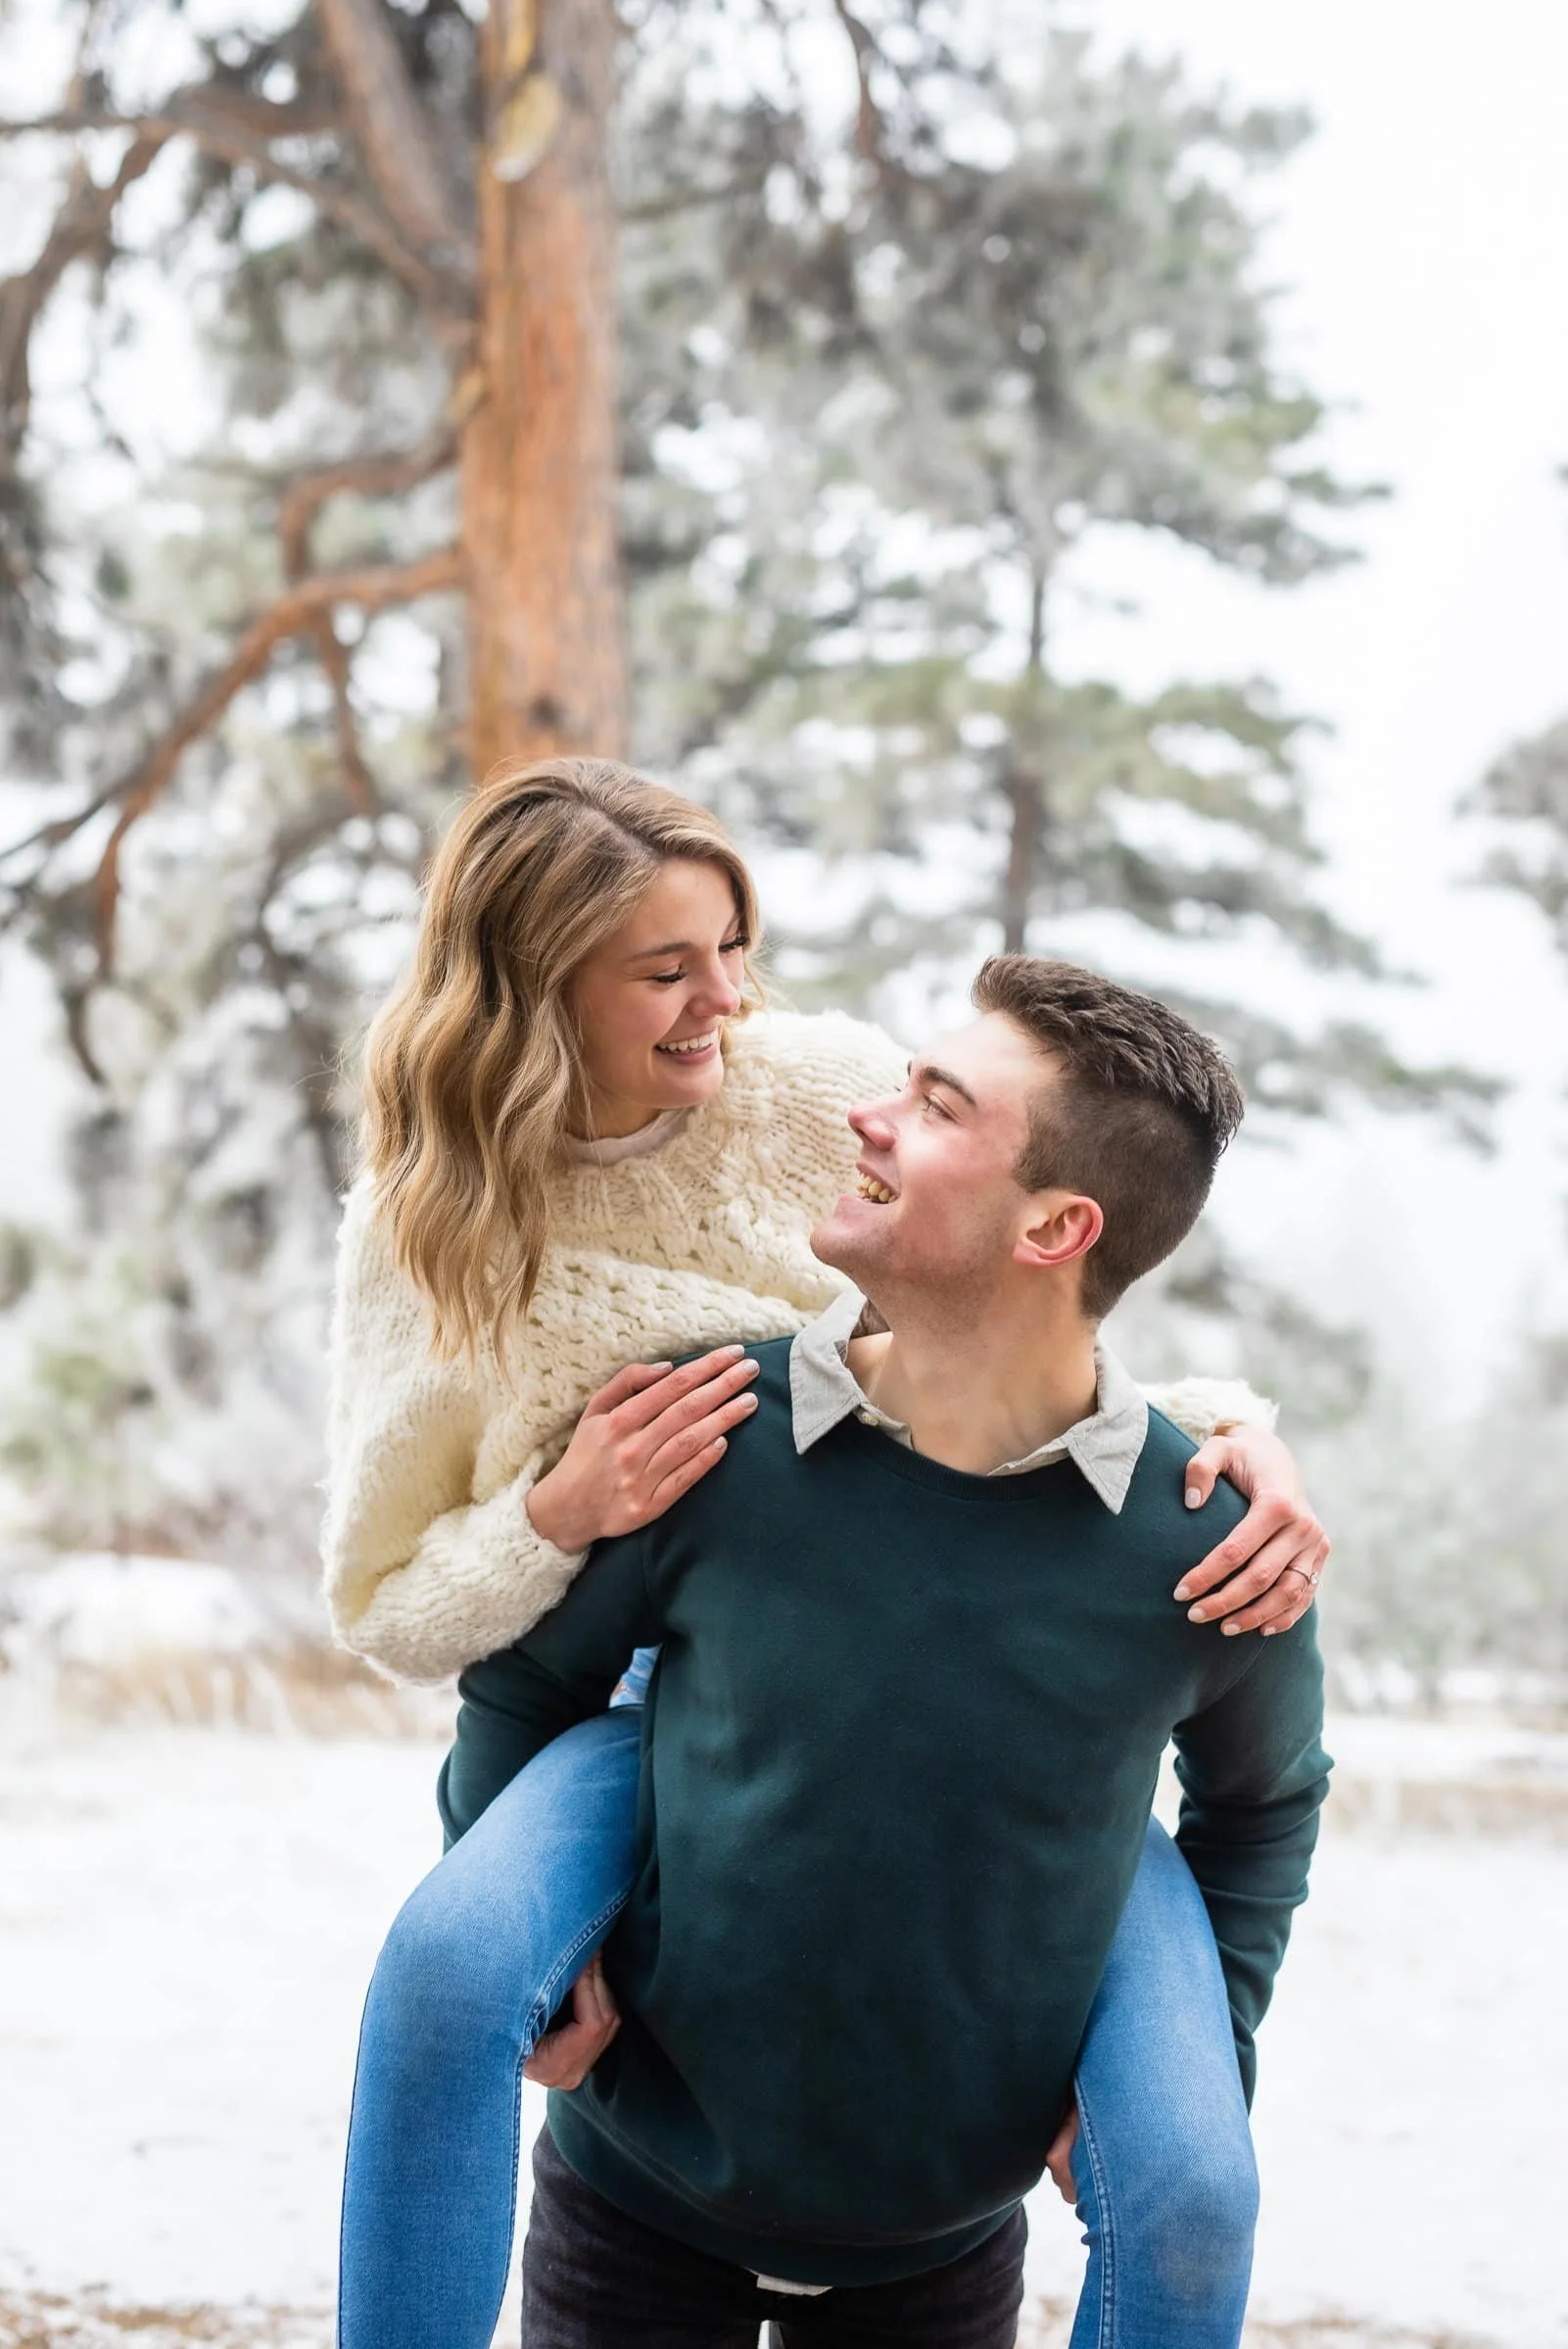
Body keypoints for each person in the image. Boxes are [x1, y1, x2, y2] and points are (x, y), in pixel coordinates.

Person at [326, 760, 1330, 2349]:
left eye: (734, 947)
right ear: (538, 988)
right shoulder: (439, 1243)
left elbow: (1032, 1292)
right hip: (668, 1656)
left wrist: (1219, 1437)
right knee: (451, 1977)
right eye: (667, 968)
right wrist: (552, 1514)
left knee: (1196, 2177)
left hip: (967, 1659)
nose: (724, 1001)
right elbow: (405, 1609)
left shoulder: (808, 1087)